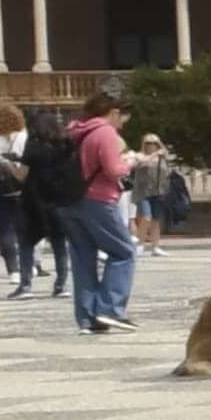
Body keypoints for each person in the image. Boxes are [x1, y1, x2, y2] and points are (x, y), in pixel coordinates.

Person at [60, 87, 140, 335]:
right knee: (124, 251)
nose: (123, 125)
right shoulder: (105, 132)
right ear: (115, 112)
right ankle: (109, 309)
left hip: (70, 200)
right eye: (124, 118)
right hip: (98, 199)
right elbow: (113, 170)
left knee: (83, 258)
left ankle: (87, 317)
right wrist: (131, 161)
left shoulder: (76, 131)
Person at [0, 103, 48, 294]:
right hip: (23, 187)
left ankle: (13, 270)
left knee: (5, 229)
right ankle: (32, 265)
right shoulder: (24, 136)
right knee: (27, 228)